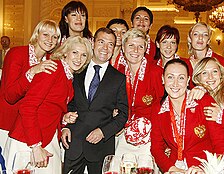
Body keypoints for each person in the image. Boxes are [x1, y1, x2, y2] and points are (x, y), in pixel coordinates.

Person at [4, 36, 92, 174]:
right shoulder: (53, 69)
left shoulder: (68, 76)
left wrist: (64, 118)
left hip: (47, 136)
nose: (78, 58)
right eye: (75, 52)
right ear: (65, 53)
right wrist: (35, 146)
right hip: (27, 139)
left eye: (84, 55)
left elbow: (49, 106)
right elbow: (27, 107)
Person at [62, 27, 128, 174]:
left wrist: (103, 132)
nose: (105, 48)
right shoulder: (77, 69)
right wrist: (65, 125)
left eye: (110, 44)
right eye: (101, 42)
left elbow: (123, 114)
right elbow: (68, 103)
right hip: (75, 142)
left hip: (101, 147)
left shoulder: (119, 78)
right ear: (93, 43)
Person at [150, 59, 224, 173]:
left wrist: (208, 169)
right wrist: (172, 169)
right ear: (163, 79)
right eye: (170, 77)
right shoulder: (157, 108)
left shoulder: (203, 101)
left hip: (202, 168)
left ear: (188, 80)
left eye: (181, 78)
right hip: (174, 167)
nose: (175, 83)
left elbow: (221, 143)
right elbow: (156, 148)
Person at [0, 19, 60, 149]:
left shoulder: (51, 61)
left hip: (31, 127)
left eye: (54, 37)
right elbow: (10, 96)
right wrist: (32, 72)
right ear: (36, 35)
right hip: (8, 124)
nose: (50, 39)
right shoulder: (16, 54)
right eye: (45, 34)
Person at [115, 28, 164, 170]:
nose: (135, 50)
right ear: (123, 48)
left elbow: (164, 107)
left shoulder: (156, 72)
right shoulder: (117, 73)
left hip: (148, 138)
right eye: (131, 45)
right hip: (122, 135)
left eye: (140, 46)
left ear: (145, 50)